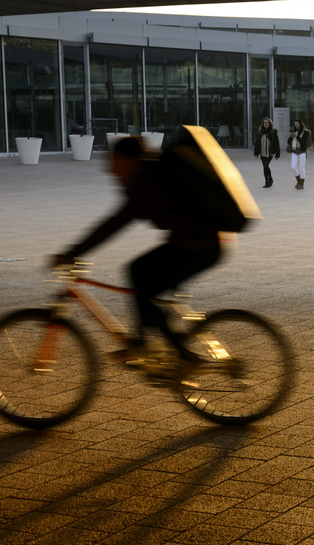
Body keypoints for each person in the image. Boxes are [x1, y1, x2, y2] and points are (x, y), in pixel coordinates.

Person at [53, 137, 224, 366]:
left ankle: (179, 354)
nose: (111, 170)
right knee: (139, 273)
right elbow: (118, 220)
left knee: (145, 289)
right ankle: (144, 342)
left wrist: (71, 253)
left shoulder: (146, 182)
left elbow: (114, 223)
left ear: (127, 161)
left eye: (114, 162)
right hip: (193, 242)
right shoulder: (150, 174)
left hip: (200, 247)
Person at [253, 117, 279, 188]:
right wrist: (256, 153)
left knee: (266, 165)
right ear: (263, 124)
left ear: (270, 124)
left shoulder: (273, 132)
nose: (266, 124)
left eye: (267, 123)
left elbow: (276, 143)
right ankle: (267, 181)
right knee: (264, 167)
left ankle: (270, 179)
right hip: (262, 152)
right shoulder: (260, 132)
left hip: (270, 152)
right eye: (264, 123)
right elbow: (257, 143)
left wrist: (277, 154)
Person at [287, 119, 310, 189]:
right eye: (295, 124)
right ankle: (298, 181)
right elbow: (288, 142)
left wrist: (297, 136)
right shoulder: (294, 131)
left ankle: (301, 184)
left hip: (302, 151)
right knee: (293, 167)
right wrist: (291, 137)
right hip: (294, 151)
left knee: (301, 168)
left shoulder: (306, 132)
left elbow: (304, 142)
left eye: (297, 124)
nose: (296, 125)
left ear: (300, 124)